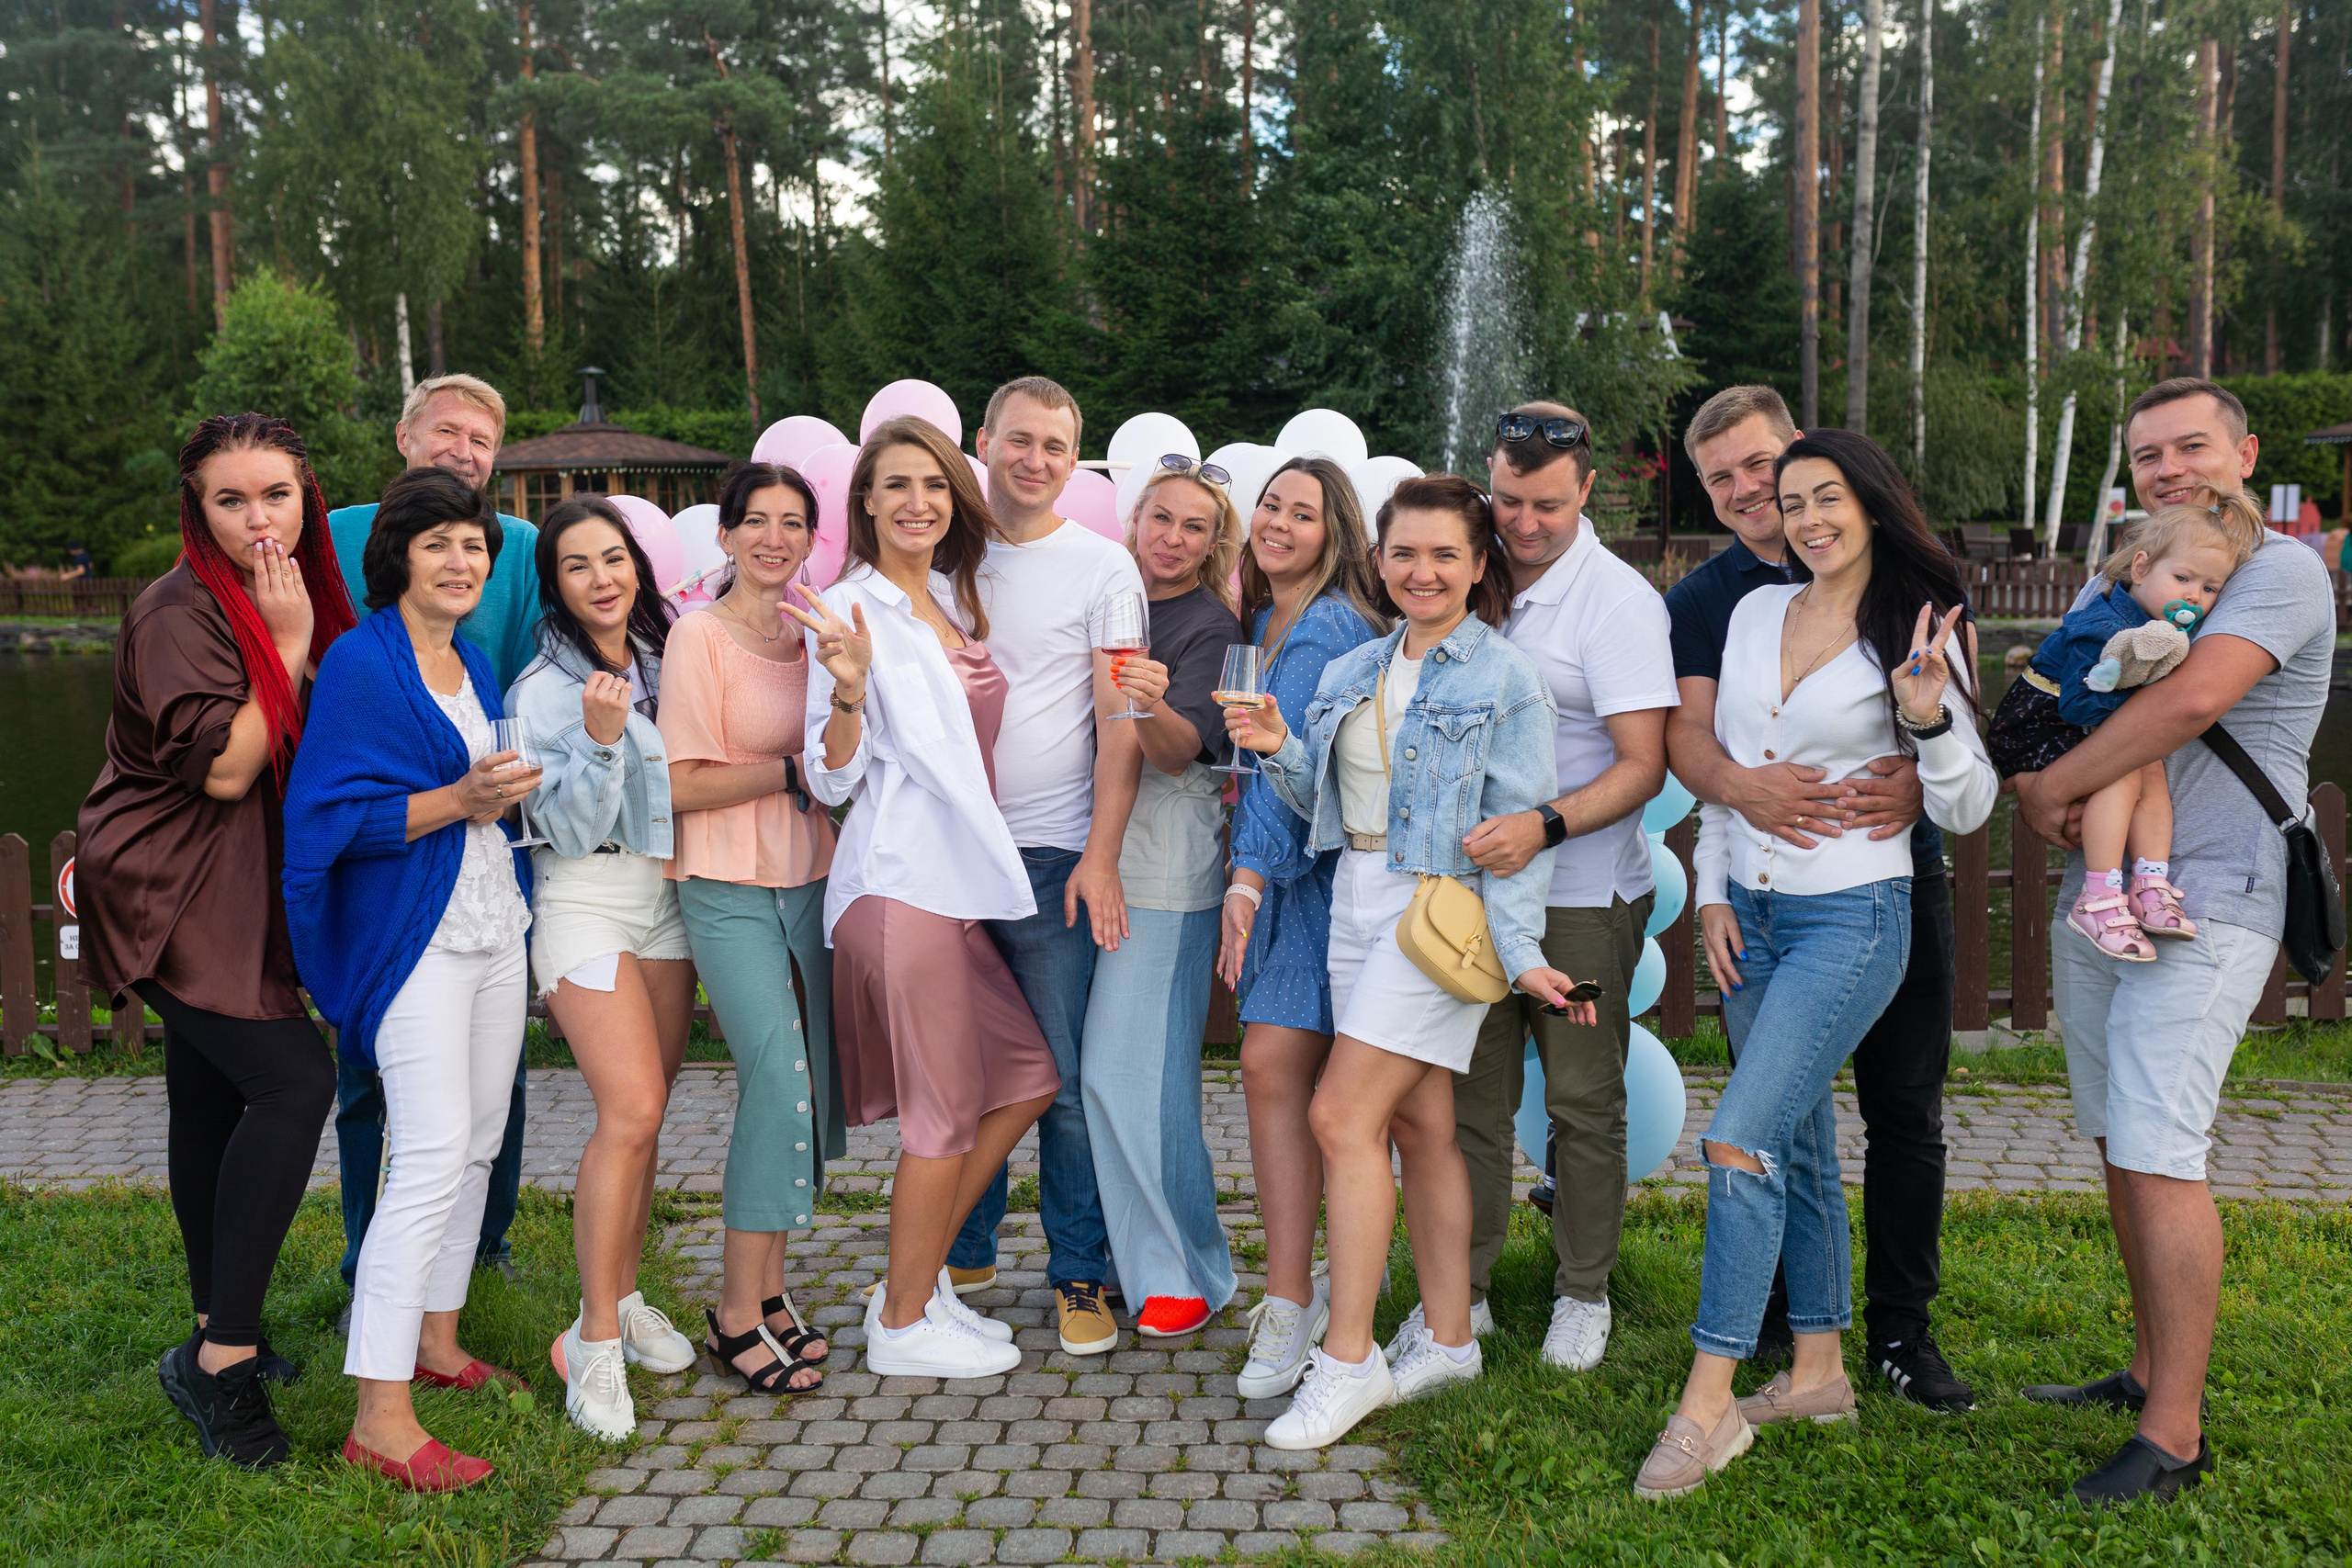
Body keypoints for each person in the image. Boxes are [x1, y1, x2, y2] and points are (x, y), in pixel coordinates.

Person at [1635, 429, 1995, 1501]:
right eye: (1791, 504)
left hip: (1854, 915)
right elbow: (1727, 770)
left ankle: (1706, 1407)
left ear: (1871, 503)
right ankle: (1818, 1373)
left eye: (1825, 497)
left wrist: (1927, 722)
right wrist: (1708, 893)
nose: (1806, 519)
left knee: (1738, 1141)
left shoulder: (1918, 627)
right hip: (1751, 917)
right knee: (1791, 1143)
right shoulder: (1754, 613)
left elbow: (1969, 806)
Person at [2013, 378, 2335, 1505]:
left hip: (2211, 894)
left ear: (2243, 453)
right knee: (2118, 1137)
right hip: (2107, 891)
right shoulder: (2132, 567)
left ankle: (2173, 1439)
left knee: (2159, 1145)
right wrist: (2033, 772)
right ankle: (2148, 1368)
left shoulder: (2280, 569)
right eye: (2147, 455)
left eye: (2190, 445)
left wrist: (2047, 787)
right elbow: (2064, 684)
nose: (2169, 469)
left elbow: (2191, 701)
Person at [1226, 473, 1583, 1449]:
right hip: (1354, 897)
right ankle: (1452, 1340)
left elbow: (1517, 836)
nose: (1422, 572)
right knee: (1422, 1124)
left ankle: (1348, 1359)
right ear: (1379, 559)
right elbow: (1325, 798)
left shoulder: (1505, 678)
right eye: (1405, 553)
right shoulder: (1357, 666)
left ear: (1477, 565)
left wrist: (1520, 953)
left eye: (1443, 555)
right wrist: (1278, 746)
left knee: (1340, 1116)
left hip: (1437, 910)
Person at [78, 412, 355, 1468]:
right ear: (197, 509)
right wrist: (284, 647)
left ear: (306, 496)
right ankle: (222, 1363)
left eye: (275, 495)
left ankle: (210, 1325)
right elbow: (228, 771)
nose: (258, 520)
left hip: (239, 878)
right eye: (230, 500)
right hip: (169, 878)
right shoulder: (176, 611)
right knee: (293, 1082)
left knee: (209, 1095)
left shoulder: (300, 587)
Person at [283, 467, 540, 1492]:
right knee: (429, 1153)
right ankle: (378, 1418)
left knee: (478, 1142)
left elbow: (477, 791)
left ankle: (436, 1339)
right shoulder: (361, 663)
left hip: (493, 921)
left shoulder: (471, 661)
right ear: (398, 557)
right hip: (414, 936)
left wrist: (498, 797)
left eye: (474, 545)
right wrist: (460, 799)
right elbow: (326, 823)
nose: (461, 561)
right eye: (439, 544)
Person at [785, 416, 1057, 1381]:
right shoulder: (845, 612)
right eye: (896, 484)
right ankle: (902, 1322)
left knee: (1026, 1076)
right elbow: (828, 776)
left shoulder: (945, 600)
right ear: (864, 501)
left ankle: (914, 1281)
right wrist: (848, 692)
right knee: (940, 1117)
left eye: (935, 485)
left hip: (956, 889)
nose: (917, 502)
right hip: (899, 885)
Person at [1407, 404, 1677, 1377]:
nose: (1524, 523)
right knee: (1467, 1101)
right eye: (1508, 500)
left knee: (1581, 1098)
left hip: (1582, 899)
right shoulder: (1467, 573)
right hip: (1469, 898)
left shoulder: (1617, 603)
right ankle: (1465, 1295)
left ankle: (1582, 1294)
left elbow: (1644, 765)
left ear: (1588, 491)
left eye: (1548, 506)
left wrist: (1543, 825)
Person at [328, 373, 540, 1311]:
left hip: (487, 844)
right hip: (380, 841)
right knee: (372, 1068)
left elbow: (526, 676)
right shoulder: (333, 535)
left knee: (493, 1072)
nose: (464, 449)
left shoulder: (518, 547)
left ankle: (480, 1246)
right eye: (447, 430)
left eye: (482, 440)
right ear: (404, 436)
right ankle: (367, 1257)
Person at [946, 377, 1145, 1357]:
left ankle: (1079, 1271)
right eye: (1018, 440)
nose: (1034, 460)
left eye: (1054, 446)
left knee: (1064, 1080)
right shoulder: (942, 553)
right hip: (945, 857)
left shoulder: (1103, 568)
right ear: (983, 441)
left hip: (1051, 852)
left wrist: (1100, 857)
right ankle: (963, 1254)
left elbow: (1121, 721)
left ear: (1076, 460)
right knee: (963, 1072)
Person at [505, 495, 700, 1439]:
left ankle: (623, 1297)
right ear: (556, 584)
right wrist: (598, 738)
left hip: (665, 895)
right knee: (629, 1109)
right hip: (583, 895)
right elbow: (573, 831)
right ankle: (588, 1341)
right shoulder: (541, 691)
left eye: (613, 558)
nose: (601, 578)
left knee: (650, 1114)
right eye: (577, 564)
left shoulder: (666, 657)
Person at [661, 463, 843, 1398]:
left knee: (807, 1086)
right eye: (757, 521)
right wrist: (788, 774)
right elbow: (679, 783)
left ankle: (771, 1293)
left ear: (812, 538)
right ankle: (734, 1314)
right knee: (775, 1079)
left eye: (793, 523)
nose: (775, 538)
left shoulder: (820, 635)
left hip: (811, 875)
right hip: (725, 880)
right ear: (725, 536)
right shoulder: (697, 636)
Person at [1220, 456, 1386, 1400]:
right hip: (1288, 875)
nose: (1278, 522)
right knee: (1284, 1078)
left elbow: (1303, 772)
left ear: (1337, 533)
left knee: (1285, 1072)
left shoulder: (1325, 625)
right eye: (1270, 505)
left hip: (1323, 877)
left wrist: (1245, 882)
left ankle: (1300, 1298)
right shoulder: (1264, 622)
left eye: (1303, 513)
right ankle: (1299, 1290)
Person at [1077, 457, 1246, 1337]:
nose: (1173, 539)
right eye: (1162, 519)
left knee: (1138, 1076)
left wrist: (1146, 702)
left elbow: (1181, 752)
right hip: (1088, 857)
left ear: (1214, 544)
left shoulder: (1209, 624)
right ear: (1134, 520)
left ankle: (1189, 1268)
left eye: (1195, 527)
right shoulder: (1107, 597)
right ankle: (1129, 1257)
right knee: (1105, 1076)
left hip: (1162, 869)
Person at [1986, 491, 2263, 959]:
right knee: (2123, 768)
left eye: (2210, 588)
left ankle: (2149, 884)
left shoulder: (2163, 627)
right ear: (2140, 568)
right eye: (2183, 578)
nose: (2194, 596)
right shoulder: (2104, 625)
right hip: (2036, 726)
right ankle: (2097, 897)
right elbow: (2078, 705)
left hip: (2073, 722)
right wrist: (2132, 694)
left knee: (2148, 765)